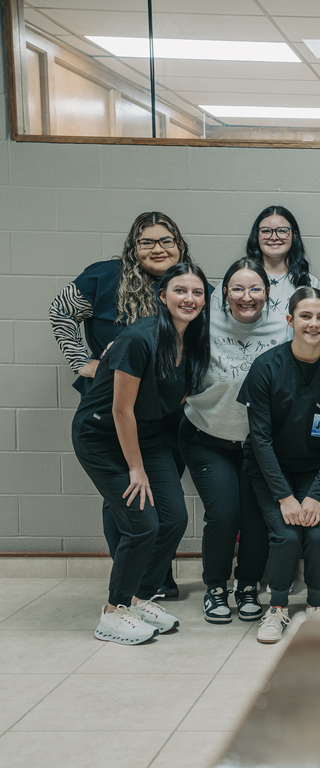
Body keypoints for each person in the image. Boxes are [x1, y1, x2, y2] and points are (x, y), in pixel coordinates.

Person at [50, 211, 195, 598]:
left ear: (179, 245)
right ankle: (128, 583)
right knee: (126, 499)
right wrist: (84, 362)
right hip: (113, 410)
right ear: (133, 247)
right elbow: (60, 311)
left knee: (162, 503)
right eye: (147, 241)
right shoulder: (103, 277)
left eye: (167, 240)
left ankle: (154, 578)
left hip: (162, 416)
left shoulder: (190, 285)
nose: (158, 248)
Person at [72, 263, 211, 644]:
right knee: (142, 523)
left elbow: (173, 398)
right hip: (102, 436)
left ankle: (139, 596)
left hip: (147, 435)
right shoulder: (138, 338)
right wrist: (136, 469)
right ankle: (113, 612)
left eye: (197, 292)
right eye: (180, 291)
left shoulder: (196, 340)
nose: (190, 299)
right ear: (162, 296)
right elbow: (121, 410)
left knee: (174, 519)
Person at [239, 288, 320, 644]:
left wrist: (316, 495)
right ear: (290, 320)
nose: (314, 323)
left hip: (315, 469)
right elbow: (260, 439)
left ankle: (317, 606)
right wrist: (285, 497)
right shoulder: (266, 367)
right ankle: (276, 609)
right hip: (269, 469)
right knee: (287, 535)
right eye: (305, 316)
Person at [180, 257, 285, 624]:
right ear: (224, 292)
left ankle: (248, 585)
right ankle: (215, 587)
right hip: (207, 435)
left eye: (255, 288)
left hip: (259, 444)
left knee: (257, 519)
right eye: (237, 288)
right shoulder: (203, 321)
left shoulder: (283, 326)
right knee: (224, 514)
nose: (246, 296)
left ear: (267, 293)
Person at [245, 205, 320, 327]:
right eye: (266, 231)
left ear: (294, 235)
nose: (274, 237)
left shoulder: (310, 284)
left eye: (282, 231)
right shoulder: (238, 278)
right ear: (256, 236)